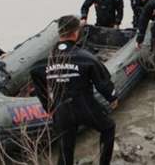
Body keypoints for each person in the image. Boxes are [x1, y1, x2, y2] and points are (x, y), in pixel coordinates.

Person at [30, 15, 118, 165]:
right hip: (85, 106)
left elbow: (37, 82)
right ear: (76, 32)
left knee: (66, 146)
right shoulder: (86, 58)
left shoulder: (43, 62)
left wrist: (48, 106)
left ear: (60, 33)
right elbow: (102, 81)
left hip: (60, 109)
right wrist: (112, 98)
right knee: (108, 127)